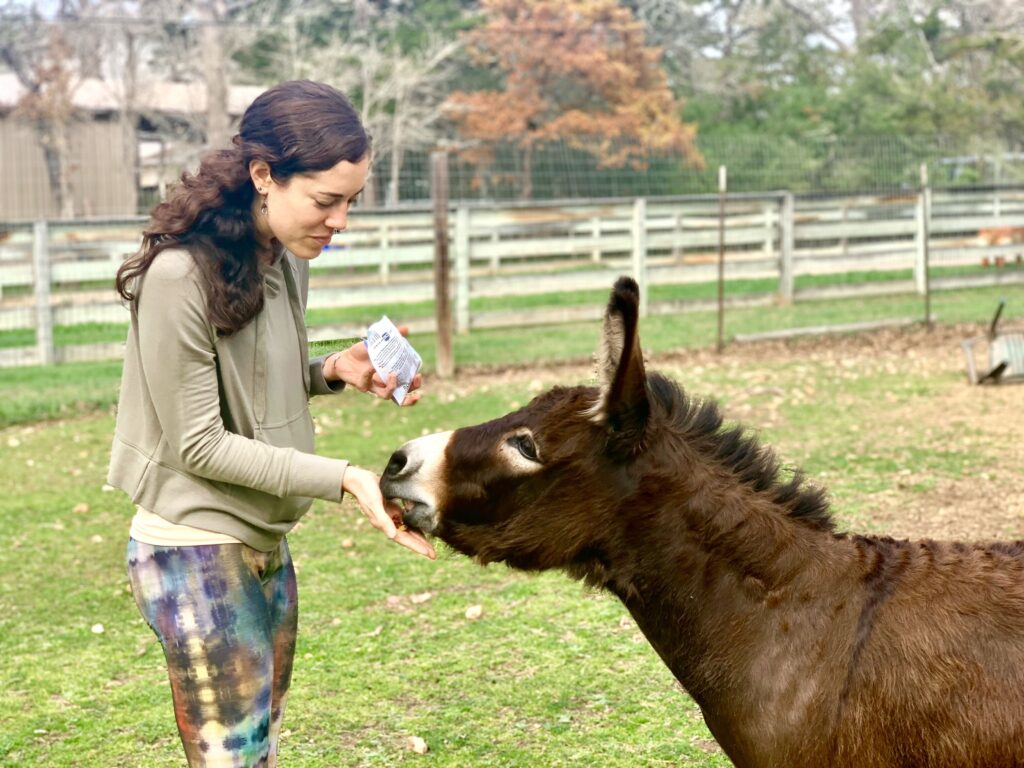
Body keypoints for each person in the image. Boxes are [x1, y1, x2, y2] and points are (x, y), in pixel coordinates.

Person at [108, 79, 435, 768]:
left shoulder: (284, 258)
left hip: (263, 538)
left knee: (257, 748)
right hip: (192, 551)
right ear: (264, 175)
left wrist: (333, 371)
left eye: (351, 201)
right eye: (326, 200)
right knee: (234, 758)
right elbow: (199, 442)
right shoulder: (176, 278)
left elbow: (252, 386)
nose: (340, 221)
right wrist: (344, 478)